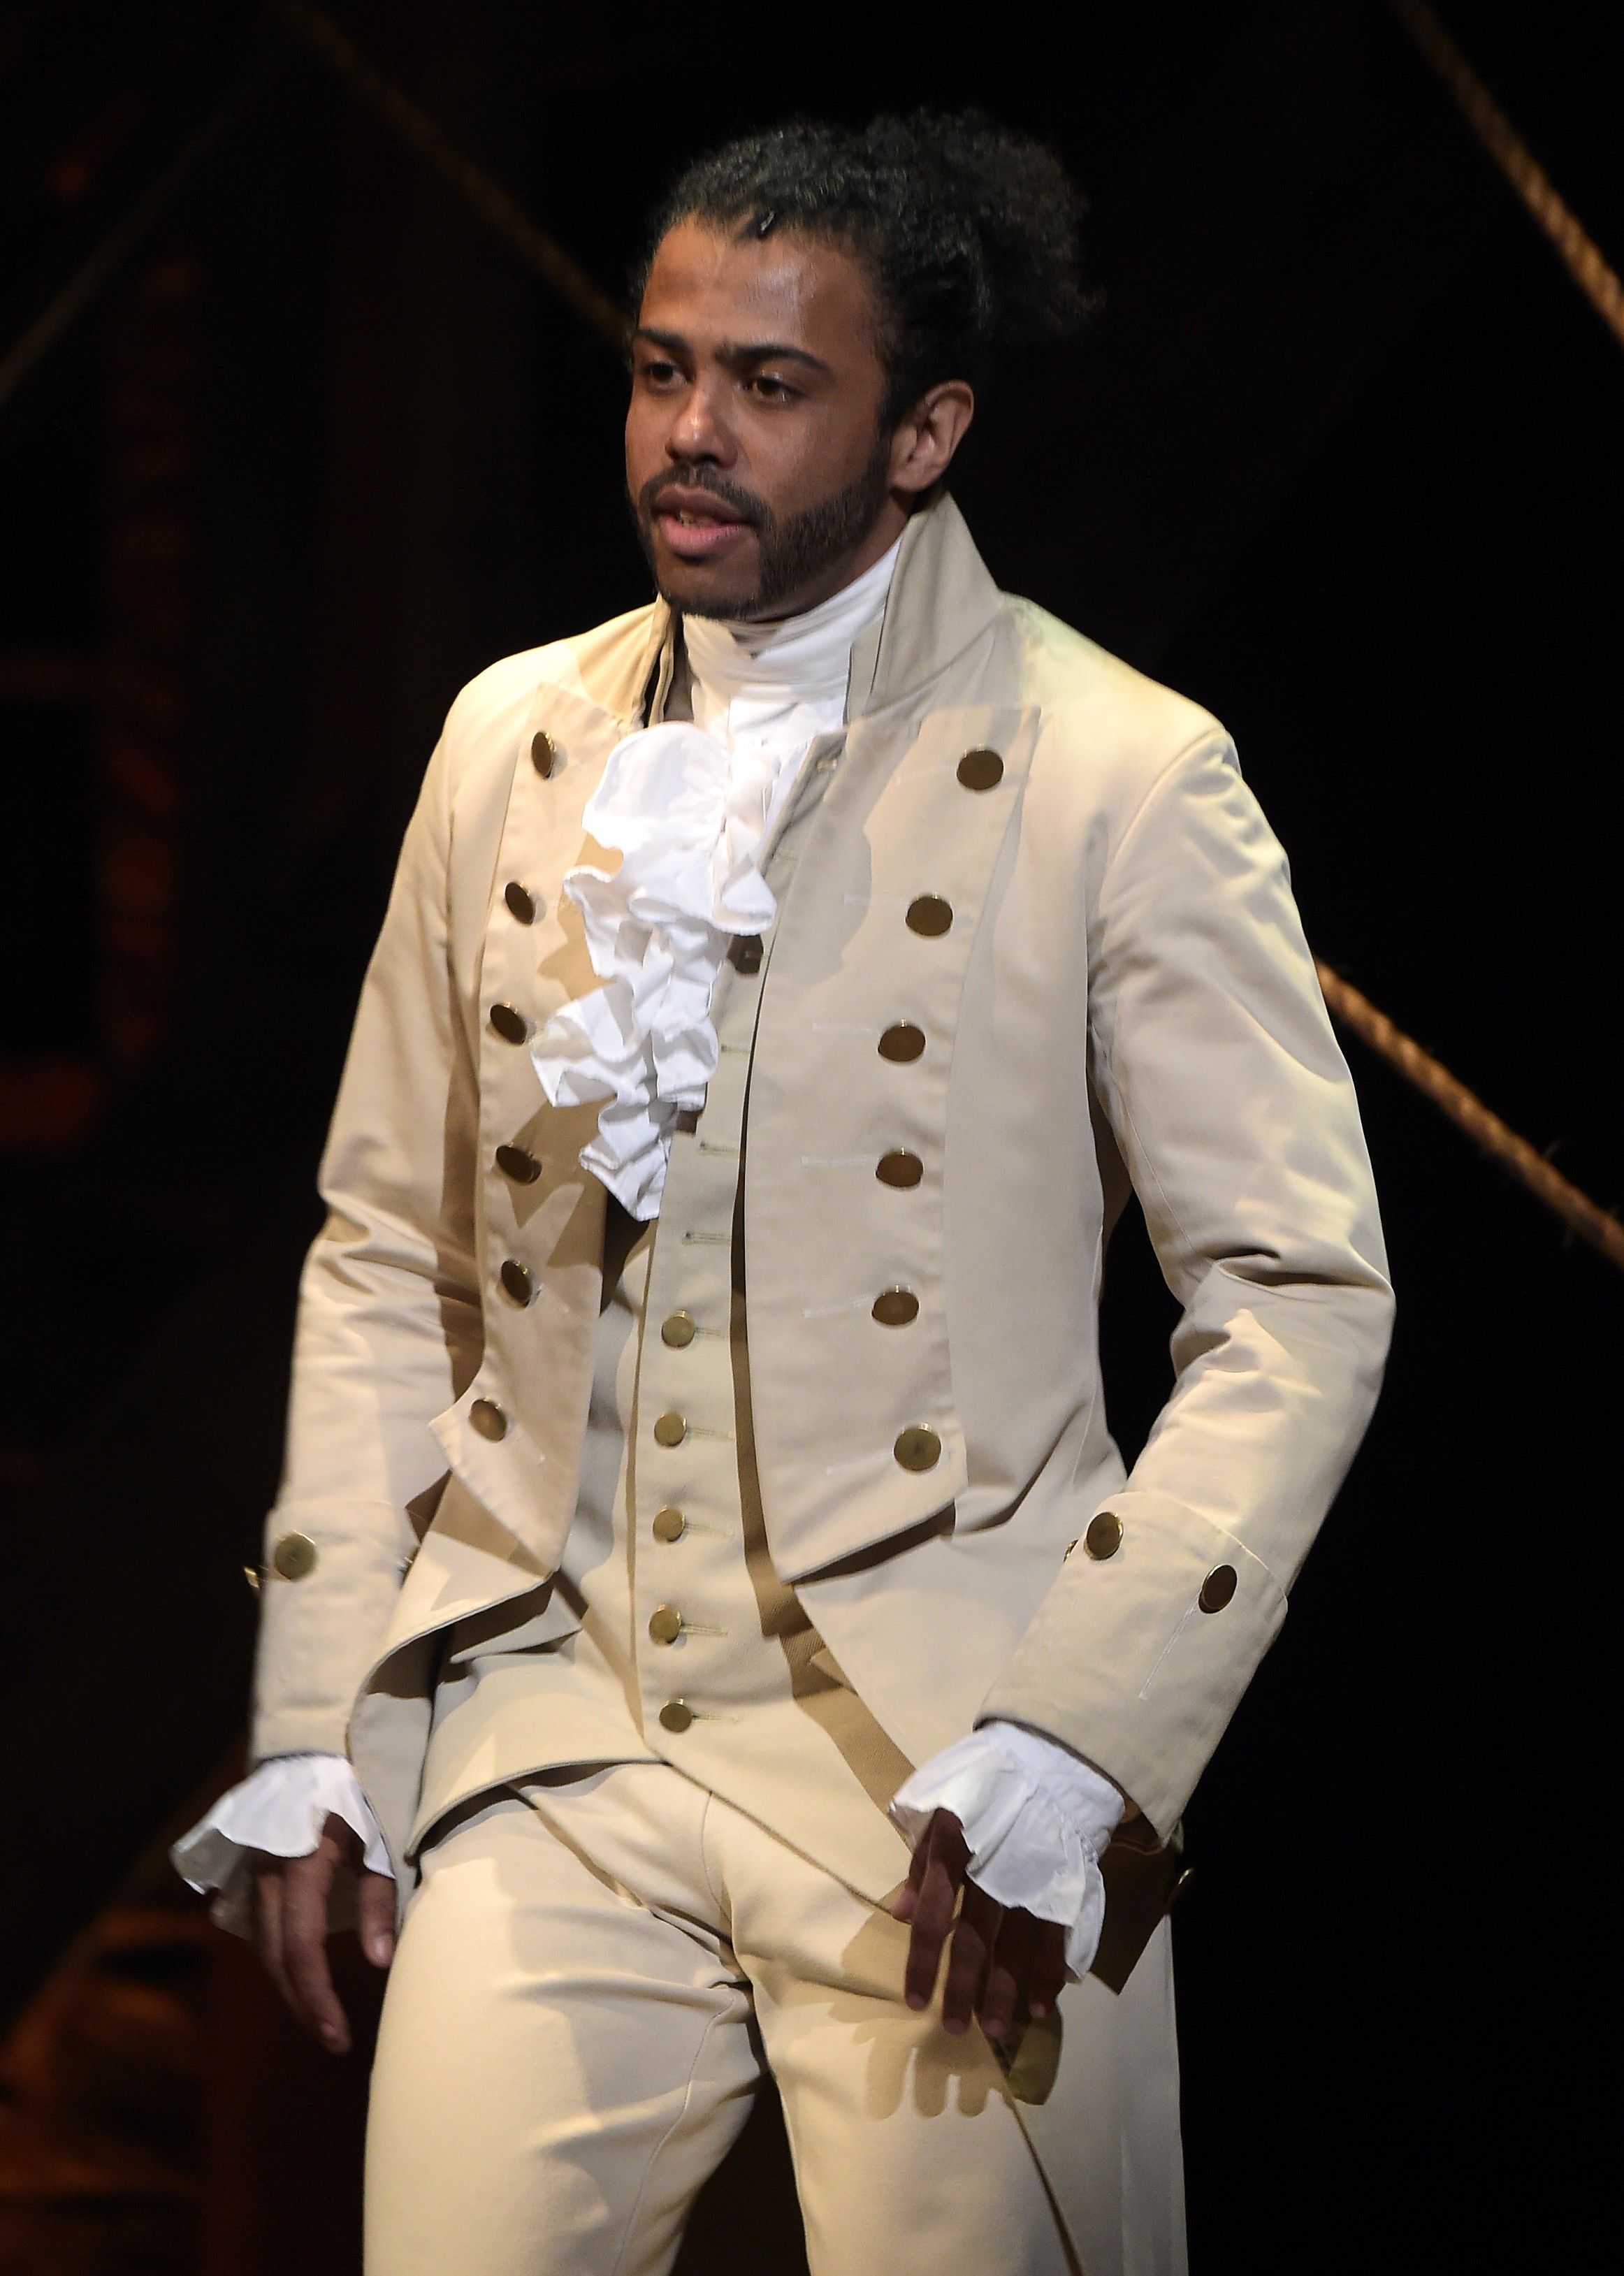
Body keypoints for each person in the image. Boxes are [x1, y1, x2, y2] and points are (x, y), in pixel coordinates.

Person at [176, 111, 1392, 2276]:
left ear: (924, 428)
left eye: (768, 384)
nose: (690, 435)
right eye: (661, 370)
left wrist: (1088, 1735)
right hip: (549, 1722)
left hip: (940, 1760)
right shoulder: (509, 737)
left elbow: (1297, 1294)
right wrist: (314, 1717)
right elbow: (389, 1239)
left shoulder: (1122, 771)